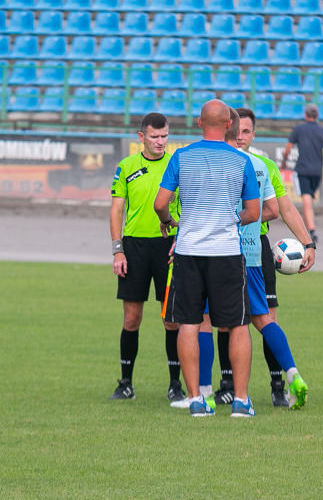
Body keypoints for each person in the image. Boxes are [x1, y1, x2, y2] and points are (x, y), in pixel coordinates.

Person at [154, 99, 275, 417]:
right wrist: (229, 218)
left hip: (189, 251)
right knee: (238, 326)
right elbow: (253, 211)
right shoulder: (242, 161)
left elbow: (160, 203)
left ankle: (196, 399)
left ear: (198, 123)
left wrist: (169, 221)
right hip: (226, 253)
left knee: (190, 323)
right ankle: (241, 400)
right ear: (229, 126)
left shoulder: (181, 156)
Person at [236, 107, 315, 408]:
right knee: (235, 320)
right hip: (236, 248)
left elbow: (284, 208)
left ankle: (277, 385)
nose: (241, 137)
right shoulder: (227, 162)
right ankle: (228, 384)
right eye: (236, 131)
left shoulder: (264, 165)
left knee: (264, 317)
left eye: (246, 131)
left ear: (254, 134)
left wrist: (308, 243)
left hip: (255, 245)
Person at [109, 112, 184, 402]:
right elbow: (117, 209)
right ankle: (125, 383)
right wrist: (118, 250)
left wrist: (182, 237)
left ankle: (175, 384)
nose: (160, 142)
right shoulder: (126, 167)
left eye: (164, 136)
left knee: (171, 320)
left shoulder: (176, 165)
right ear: (141, 137)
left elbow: (187, 204)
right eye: (154, 136)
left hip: (169, 247)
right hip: (135, 248)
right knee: (132, 318)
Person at [279, 104, 323, 248]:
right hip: (317, 171)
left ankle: (312, 230)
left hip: (303, 169)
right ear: (317, 116)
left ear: (305, 115)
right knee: (309, 200)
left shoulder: (299, 129)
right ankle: (309, 225)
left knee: (307, 201)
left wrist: (284, 163)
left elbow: (288, 149)